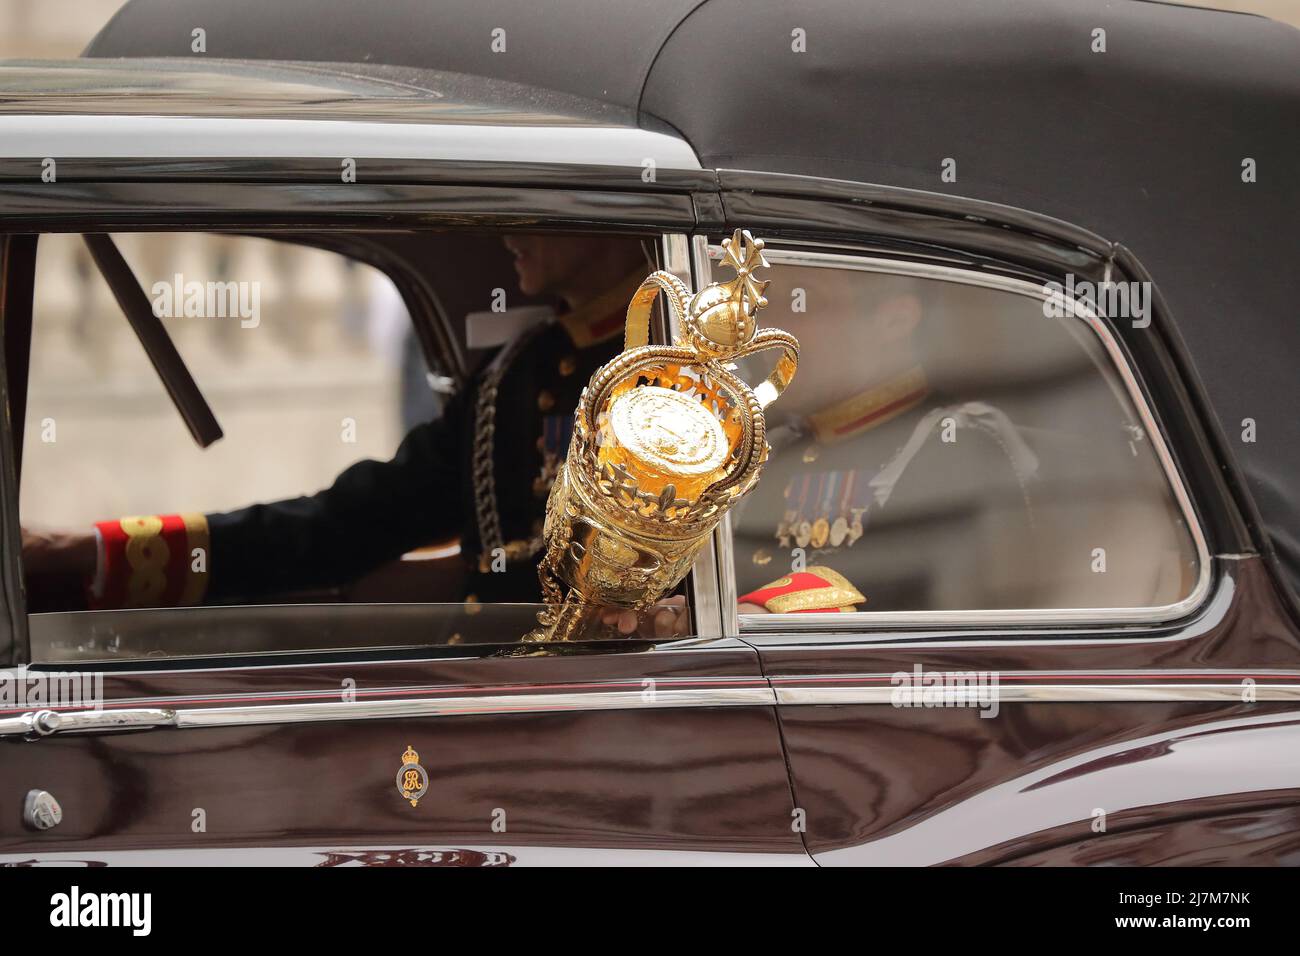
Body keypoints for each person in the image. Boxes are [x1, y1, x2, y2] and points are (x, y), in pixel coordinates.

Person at [23, 234, 673, 630]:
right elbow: (344, 526)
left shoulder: (684, 369)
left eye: (535, 192)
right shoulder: (514, 375)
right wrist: (98, 551)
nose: (506, 230)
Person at [732, 274, 1045, 615]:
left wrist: (762, 613)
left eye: (803, 304)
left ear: (895, 319)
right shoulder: (776, 445)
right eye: (768, 307)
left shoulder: (956, 437)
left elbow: (921, 584)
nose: (770, 330)